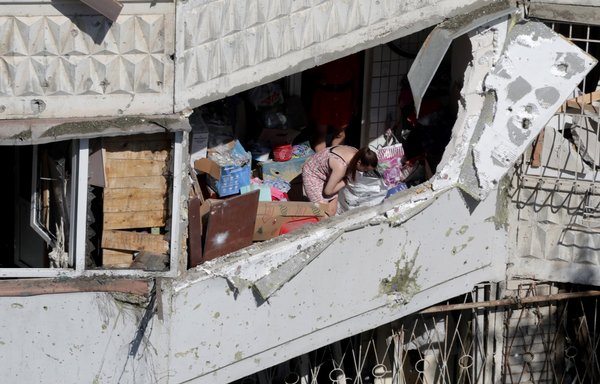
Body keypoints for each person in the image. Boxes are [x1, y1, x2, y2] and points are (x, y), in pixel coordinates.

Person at [306, 54, 361, 153]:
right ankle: (321, 162)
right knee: (320, 134)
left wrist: (355, 101)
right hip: (324, 95)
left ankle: (334, 160)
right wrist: (318, 80)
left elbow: (355, 78)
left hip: (344, 96)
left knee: (340, 133)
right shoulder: (325, 51)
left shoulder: (351, 53)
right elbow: (309, 73)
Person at [302, 146, 378, 216]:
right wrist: (345, 182)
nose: (364, 172)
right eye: (365, 170)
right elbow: (327, 192)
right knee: (323, 213)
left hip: (327, 172)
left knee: (332, 212)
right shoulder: (340, 167)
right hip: (312, 173)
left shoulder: (358, 154)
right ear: (359, 163)